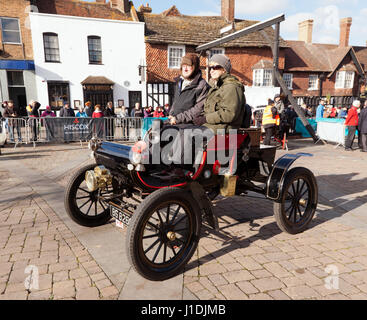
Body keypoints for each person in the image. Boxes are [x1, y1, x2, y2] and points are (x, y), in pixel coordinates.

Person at [168, 53, 210, 125]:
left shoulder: (202, 86)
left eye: (189, 65)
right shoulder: (179, 82)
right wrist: (171, 114)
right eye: (183, 65)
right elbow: (175, 102)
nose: (185, 69)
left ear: (195, 68)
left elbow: (198, 110)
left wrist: (178, 118)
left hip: (190, 127)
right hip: (175, 123)